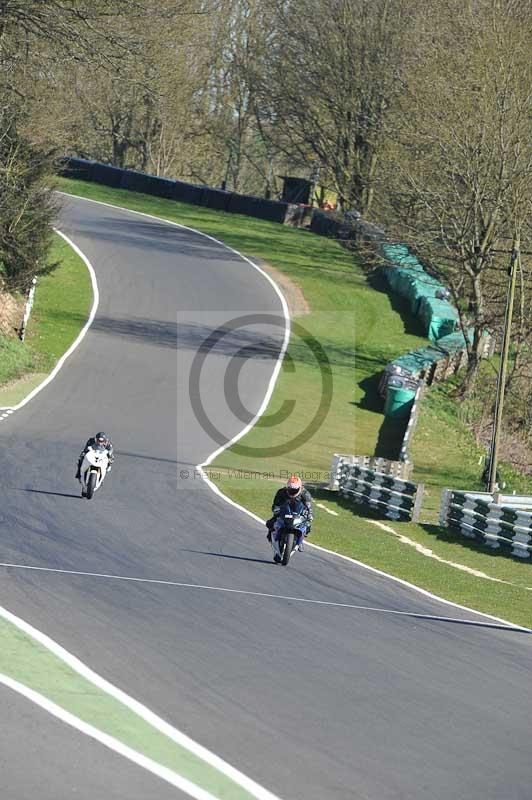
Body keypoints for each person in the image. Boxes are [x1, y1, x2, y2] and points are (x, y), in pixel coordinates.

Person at [266, 475, 313, 553]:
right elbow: (275, 504)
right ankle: (272, 538)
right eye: (290, 489)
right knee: (270, 523)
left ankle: (301, 540)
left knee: (308, 526)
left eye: (294, 490)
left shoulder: (305, 493)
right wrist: (276, 509)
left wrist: (309, 515)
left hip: (298, 513)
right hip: (284, 511)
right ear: (287, 487)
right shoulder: (281, 492)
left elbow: (309, 507)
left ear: (299, 488)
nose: (292, 492)